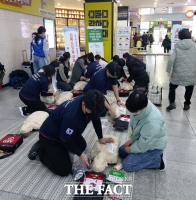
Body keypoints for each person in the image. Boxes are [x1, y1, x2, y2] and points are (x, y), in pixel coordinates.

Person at [28, 90, 114, 176]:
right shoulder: (72, 117)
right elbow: (65, 140)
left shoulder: (89, 100)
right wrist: (81, 155)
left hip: (65, 130)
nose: (94, 115)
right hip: (50, 137)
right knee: (64, 170)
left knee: (82, 146)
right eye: (92, 112)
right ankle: (40, 151)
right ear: (83, 105)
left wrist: (100, 137)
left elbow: (96, 118)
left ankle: (56, 150)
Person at [119, 91, 167, 172]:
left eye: (132, 111)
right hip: (143, 139)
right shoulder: (141, 104)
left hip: (153, 147)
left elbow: (146, 142)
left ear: (141, 109)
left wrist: (131, 149)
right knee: (121, 151)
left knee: (127, 165)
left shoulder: (153, 122)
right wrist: (132, 140)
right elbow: (138, 126)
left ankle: (158, 161)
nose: (130, 113)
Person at [166, 29, 196, 111]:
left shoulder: (177, 46)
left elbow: (171, 60)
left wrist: (169, 71)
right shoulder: (195, 46)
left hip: (178, 72)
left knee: (172, 87)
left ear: (180, 37)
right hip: (191, 73)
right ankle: (186, 104)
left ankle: (172, 103)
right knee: (189, 88)